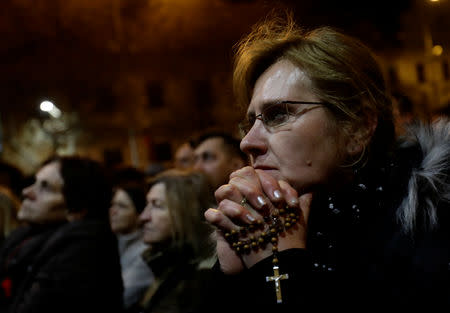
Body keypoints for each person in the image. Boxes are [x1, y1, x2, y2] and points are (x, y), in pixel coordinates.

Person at [204, 16, 450, 313]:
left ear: (357, 127)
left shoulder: (433, 227)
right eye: (249, 122)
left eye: (278, 114)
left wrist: (286, 268)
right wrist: (231, 277)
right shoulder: (268, 225)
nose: (248, 142)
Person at [0, 155, 124, 313]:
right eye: (34, 182)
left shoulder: (83, 249)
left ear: (77, 210)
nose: (26, 192)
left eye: (45, 188)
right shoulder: (26, 238)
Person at [135, 169, 216, 313]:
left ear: (186, 212)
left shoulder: (199, 279)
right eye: (147, 205)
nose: (143, 217)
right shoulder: (167, 263)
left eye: (157, 205)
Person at [110, 168, 155, 311]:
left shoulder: (144, 252)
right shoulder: (113, 242)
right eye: (113, 204)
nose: (113, 211)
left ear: (139, 215)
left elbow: (122, 297)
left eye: (122, 206)